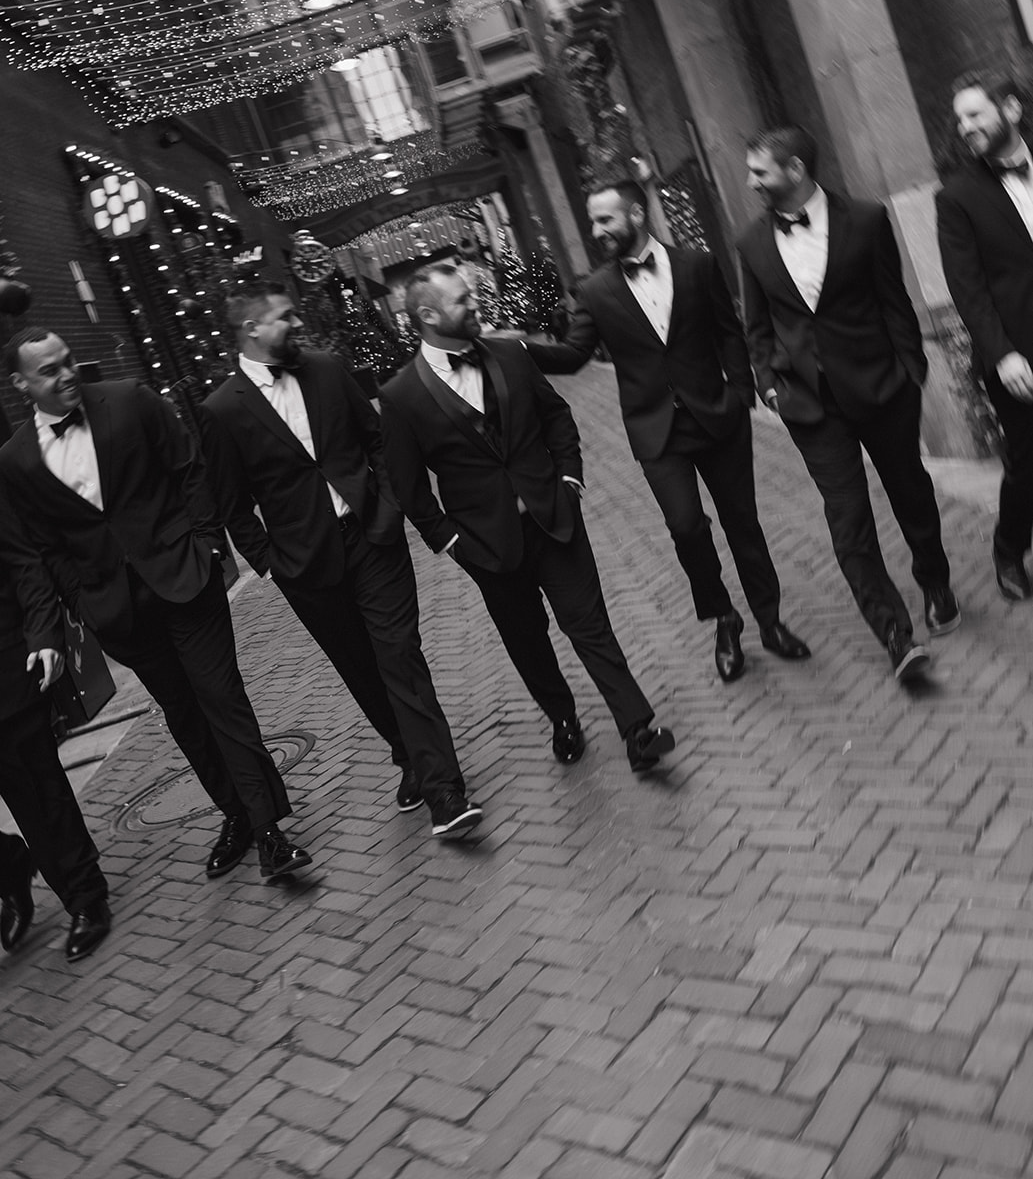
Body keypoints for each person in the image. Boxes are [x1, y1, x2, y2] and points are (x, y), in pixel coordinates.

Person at [0, 327, 311, 887]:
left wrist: (208, 543)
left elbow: (188, 468)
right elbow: (44, 546)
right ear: (21, 384)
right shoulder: (16, 459)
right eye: (49, 370)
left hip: (185, 578)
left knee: (221, 699)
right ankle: (237, 814)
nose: (66, 374)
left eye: (68, 361)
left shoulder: (130, 399)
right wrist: (81, 600)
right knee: (182, 713)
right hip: (117, 609)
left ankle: (270, 832)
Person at [200, 282, 482, 841]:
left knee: (399, 655)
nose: (297, 323)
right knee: (360, 668)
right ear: (251, 329)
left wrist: (388, 502)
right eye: (285, 317)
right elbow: (230, 504)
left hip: (373, 537)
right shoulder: (221, 410)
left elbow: (377, 439)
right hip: (305, 566)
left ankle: (444, 792)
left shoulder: (327, 370)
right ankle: (408, 755)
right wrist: (271, 564)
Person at [380, 263, 675, 774]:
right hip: (487, 546)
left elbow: (555, 415)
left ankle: (637, 730)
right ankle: (562, 716)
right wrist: (452, 543)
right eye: (461, 300)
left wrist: (569, 477)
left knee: (590, 626)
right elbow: (408, 487)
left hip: (554, 518)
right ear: (427, 315)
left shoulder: (510, 353)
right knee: (527, 642)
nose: (475, 303)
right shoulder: (401, 395)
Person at [524, 180, 809, 686]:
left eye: (605, 219)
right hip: (655, 430)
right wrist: (520, 351)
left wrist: (740, 395)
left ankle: (770, 622)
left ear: (636, 214)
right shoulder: (594, 290)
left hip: (717, 418)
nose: (597, 231)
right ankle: (723, 618)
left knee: (743, 524)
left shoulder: (697, 266)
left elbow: (728, 332)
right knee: (685, 527)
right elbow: (573, 354)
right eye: (593, 222)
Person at [738, 126, 958, 684]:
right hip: (810, 404)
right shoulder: (751, 244)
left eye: (760, 171)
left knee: (910, 491)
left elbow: (894, 300)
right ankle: (895, 636)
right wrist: (769, 385)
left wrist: (912, 372)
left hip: (882, 387)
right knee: (848, 520)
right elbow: (757, 325)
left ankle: (935, 580)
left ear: (794, 169)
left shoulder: (865, 218)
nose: (750, 181)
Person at [0, 475, 110, 962]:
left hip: (1, 682)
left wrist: (45, 638)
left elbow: (27, 569)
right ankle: (11, 867)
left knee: (41, 800)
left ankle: (85, 896)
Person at [936, 75, 1033, 602]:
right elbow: (967, 289)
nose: (965, 126)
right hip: (1017, 352)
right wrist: (1003, 354)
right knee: (1027, 464)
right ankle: (1009, 547)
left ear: (1010, 109)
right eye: (959, 119)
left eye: (975, 114)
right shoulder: (957, 197)